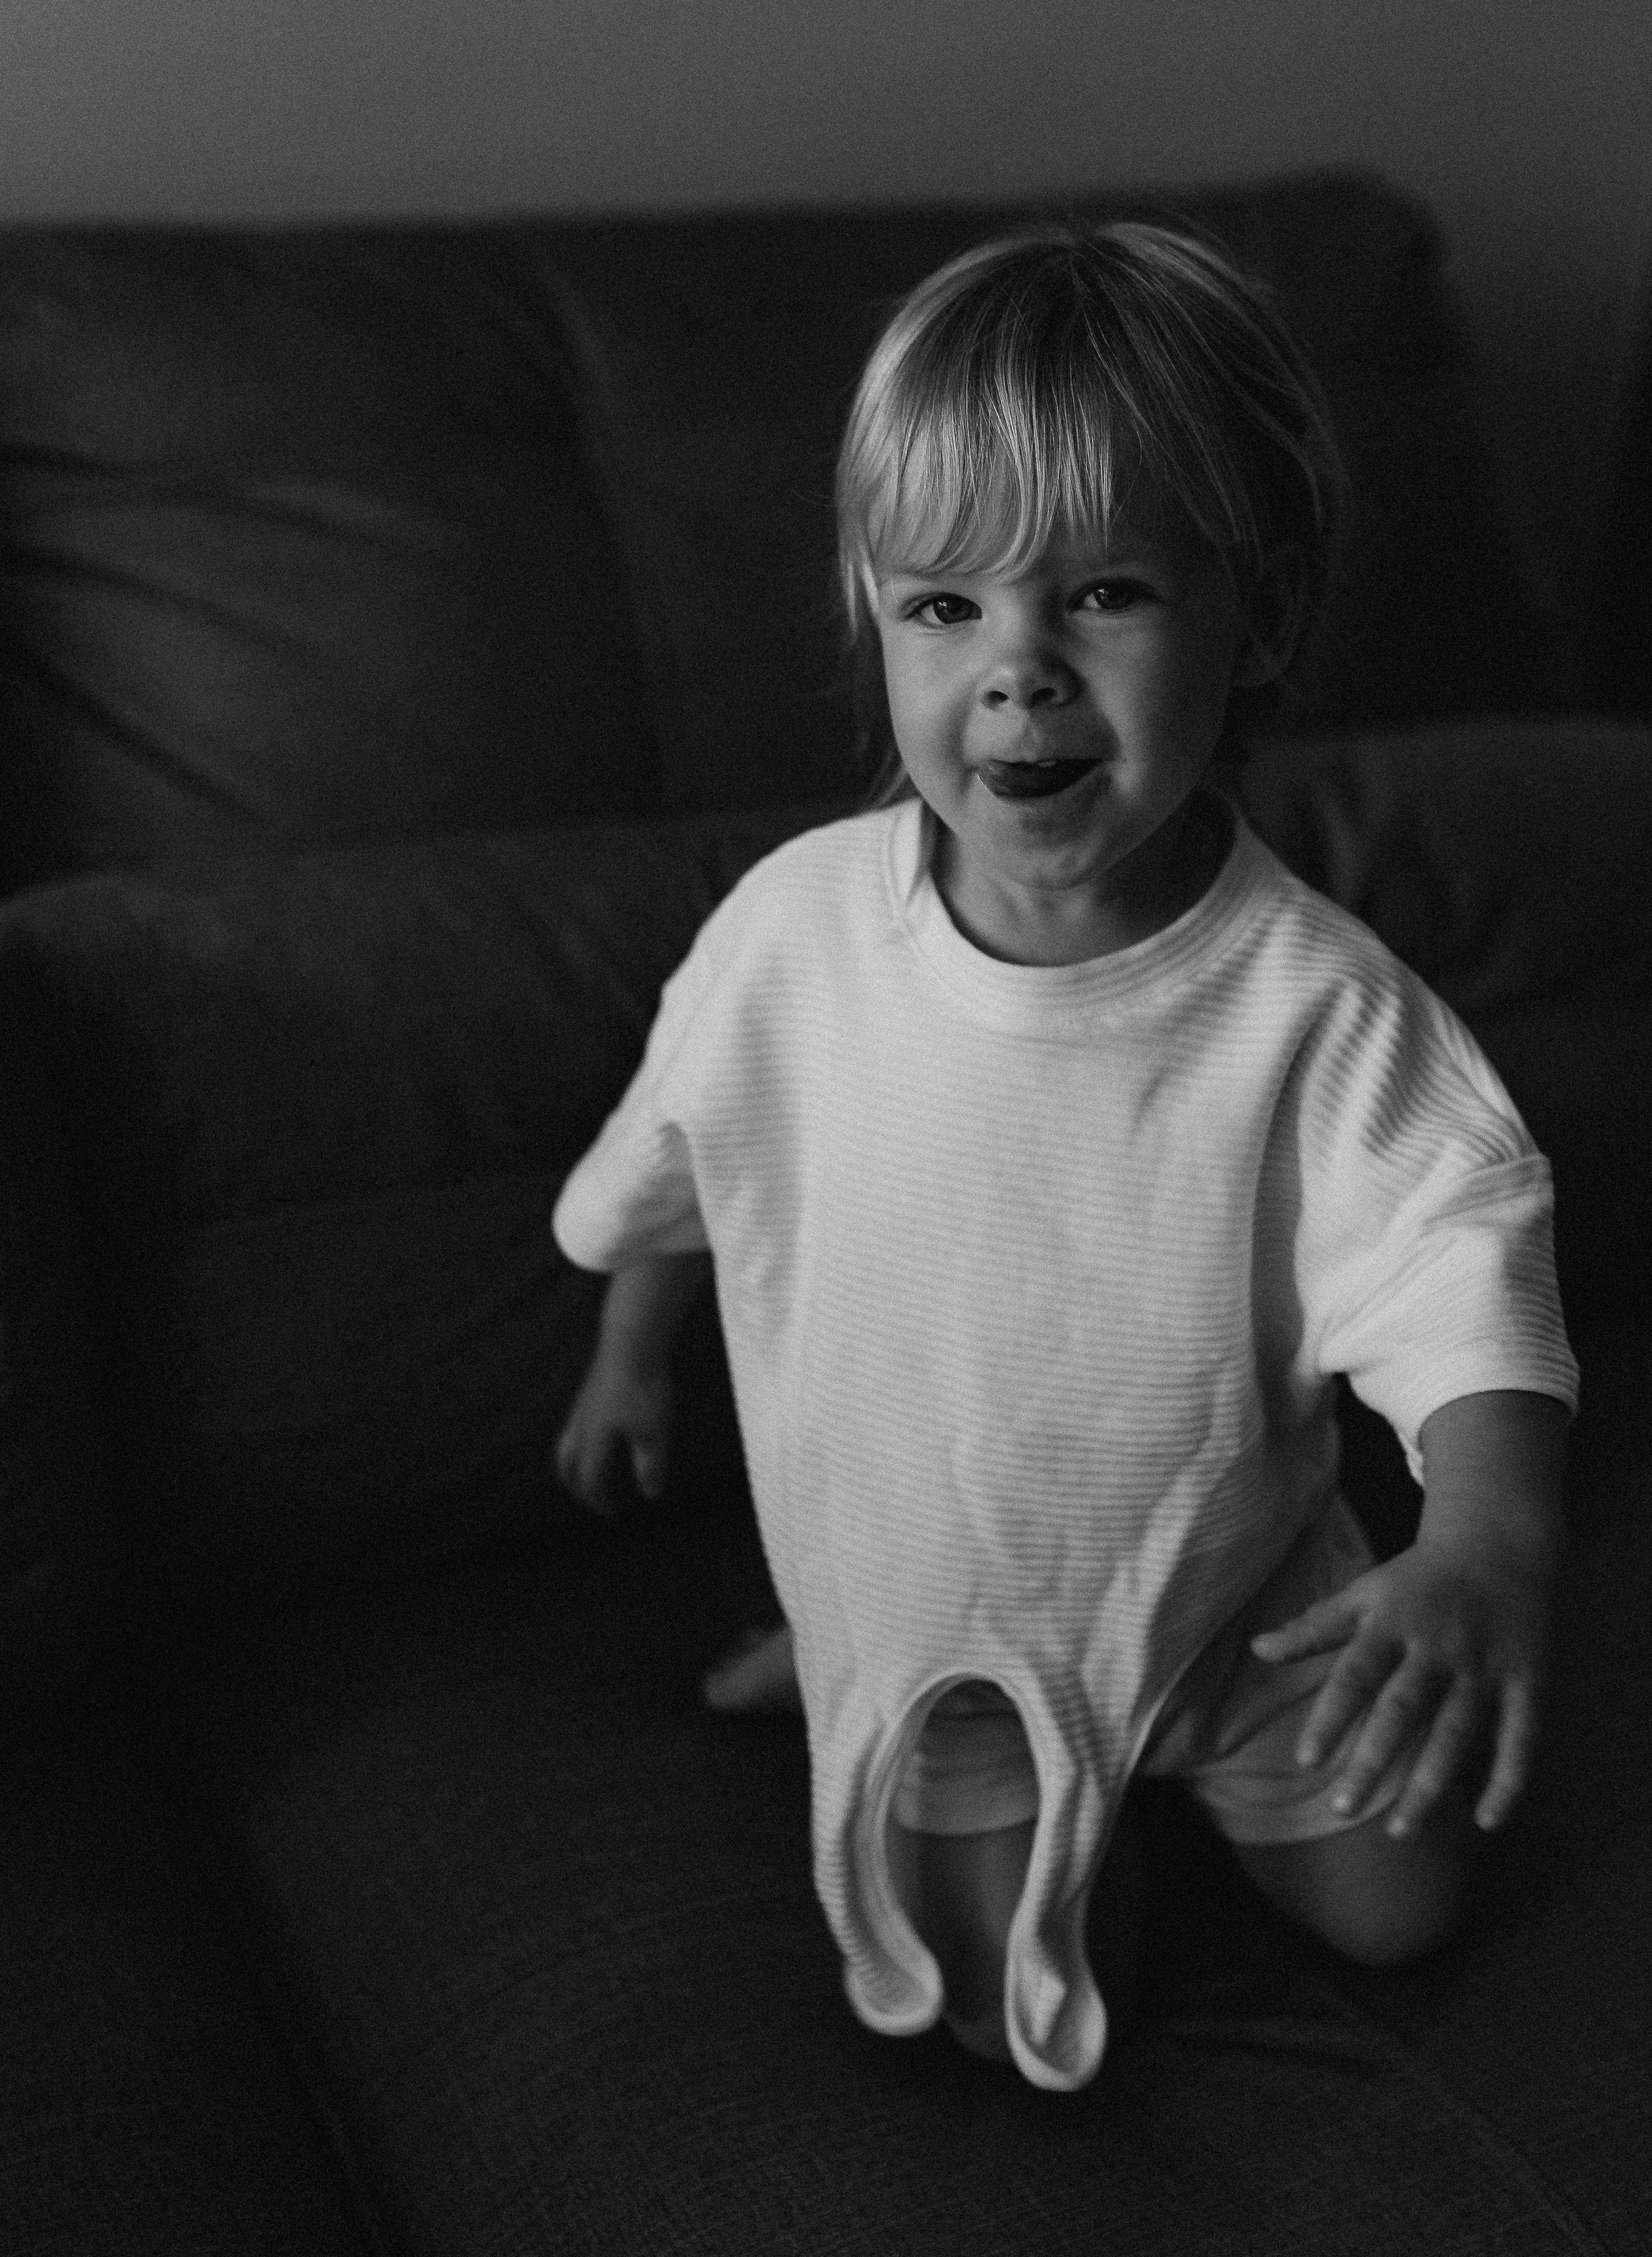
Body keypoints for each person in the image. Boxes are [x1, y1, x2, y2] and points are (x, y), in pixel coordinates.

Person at [552, 222, 1578, 2090]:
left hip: (1244, 1599)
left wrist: (1486, 1543)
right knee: (1009, 2012)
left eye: (1101, 593)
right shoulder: (794, 937)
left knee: (1405, 1911)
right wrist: (633, 1356)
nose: (1017, 673)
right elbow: (687, 1153)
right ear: (875, 616)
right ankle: (842, 1662)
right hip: (948, 1614)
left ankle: (1154, 1747)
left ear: (1259, 618)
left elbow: (1467, 1276)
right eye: (945, 608)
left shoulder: (1323, 1012)